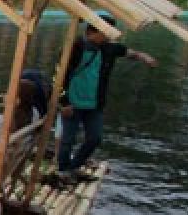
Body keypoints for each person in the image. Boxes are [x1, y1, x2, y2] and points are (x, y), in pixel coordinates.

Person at [57, 16, 157, 182]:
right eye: (105, 33)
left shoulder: (108, 49)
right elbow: (59, 75)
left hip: (94, 104)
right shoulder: (74, 48)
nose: (108, 37)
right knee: (68, 139)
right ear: (91, 32)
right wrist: (64, 102)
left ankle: (74, 167)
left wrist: (143, 56)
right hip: (73, 103)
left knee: (94, 138)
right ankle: (62, 169)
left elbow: (128, 52)